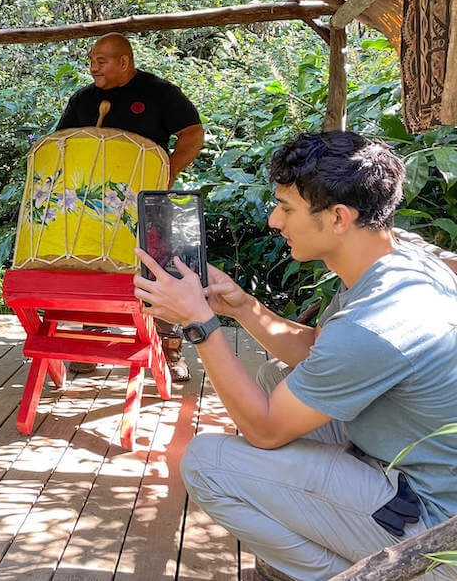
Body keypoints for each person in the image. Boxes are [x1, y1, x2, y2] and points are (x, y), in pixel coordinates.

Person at [133, 131, 457, 581]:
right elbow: (317, 349)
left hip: (434, 525)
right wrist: (241, 306)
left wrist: (201, 325)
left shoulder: (375, 324)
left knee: (206, 463)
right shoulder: (398, 261)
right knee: (273, 376)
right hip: (411, 460)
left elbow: (265, 430)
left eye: (286, 208)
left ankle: (354, 574)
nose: (273, 220)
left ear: (339, 217)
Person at [57, 32, 205, 382]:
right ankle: (92, 338)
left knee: (161, 269)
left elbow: (193, 134)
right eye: (92, 60)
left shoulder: (158, 92)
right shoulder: (83, 99)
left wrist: (167, 172)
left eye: (102, 61)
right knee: (96, 266)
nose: (94, 67)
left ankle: (169, 350)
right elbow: (62, 143)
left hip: (148, 201)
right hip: (96, 205)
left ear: (125, 62)